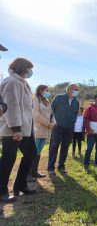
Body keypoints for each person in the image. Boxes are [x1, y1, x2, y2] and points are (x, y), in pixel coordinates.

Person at [0, 58, 37, 202]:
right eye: (29, 68)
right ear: (22, 68)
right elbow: (11, 106)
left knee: (31, 153)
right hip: (13, 129)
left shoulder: (22, 82)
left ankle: (20, 184)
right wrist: (16, 129)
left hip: (24, 129)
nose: (30, 71)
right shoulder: (11, 82)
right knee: (8, 159)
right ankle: (1, 191)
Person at [48, 83, 80, 174]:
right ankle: (51, 167)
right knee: (54, 146)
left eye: (77, 90)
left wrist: (72, 122)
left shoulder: (76, 102)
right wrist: (53, 121)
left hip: (69, 128)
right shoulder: (59, 98)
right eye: (75, 89)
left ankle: (61, 166)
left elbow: (75, 114)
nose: (76, 91)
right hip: (57, 127)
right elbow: (52, 109)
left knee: (65, 147)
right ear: (68, 90)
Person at [27, 85, 55, 181]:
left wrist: (54, 122)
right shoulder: (35, 100)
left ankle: (34, 172)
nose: (48, 92)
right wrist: (48, 124)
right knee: (33, 152)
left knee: (38, 152)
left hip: (46, 130)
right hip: (37, 129)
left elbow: (52, 114)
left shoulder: (47, 101)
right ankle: (28, 174)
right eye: (47, 90)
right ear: (40, 90)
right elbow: (36, 115)